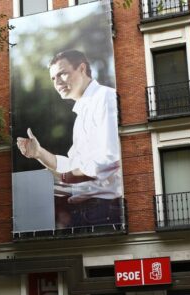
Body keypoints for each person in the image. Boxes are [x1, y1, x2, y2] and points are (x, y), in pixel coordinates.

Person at [16, 49, 122, 228]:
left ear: (82, 69)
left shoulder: (105, 97)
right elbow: (74, 165)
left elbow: (108, 159)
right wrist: (39, 153)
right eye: (52, 79)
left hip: (104, 212)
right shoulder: (82, 113)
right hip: (87, 212)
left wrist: (66, 178)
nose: (57, 83)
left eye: (62, 74)